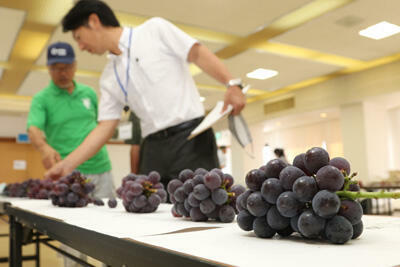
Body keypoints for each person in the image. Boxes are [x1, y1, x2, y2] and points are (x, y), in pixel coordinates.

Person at [45, 0, 246, 190]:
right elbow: (105, 127)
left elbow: (197, 53)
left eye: (79, 37)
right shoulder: (108, 78)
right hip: (151, 148)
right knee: (149, 212)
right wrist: (67, 165)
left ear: (94, 21)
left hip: (191, 140)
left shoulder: (154, 30)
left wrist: (232, 84)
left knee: (201, 208)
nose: (80, 47)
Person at [27, 41, 115, 267]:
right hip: (69, 175)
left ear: (75, 65)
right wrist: (44, 147)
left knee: (111, 228)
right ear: (48, 68)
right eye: (55, 67)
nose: (62, 72)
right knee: (73, 239)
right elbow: (34, 129)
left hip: (102, 169)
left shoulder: (88, 93)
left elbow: (100, 126)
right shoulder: (41, 99)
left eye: (66, 66)